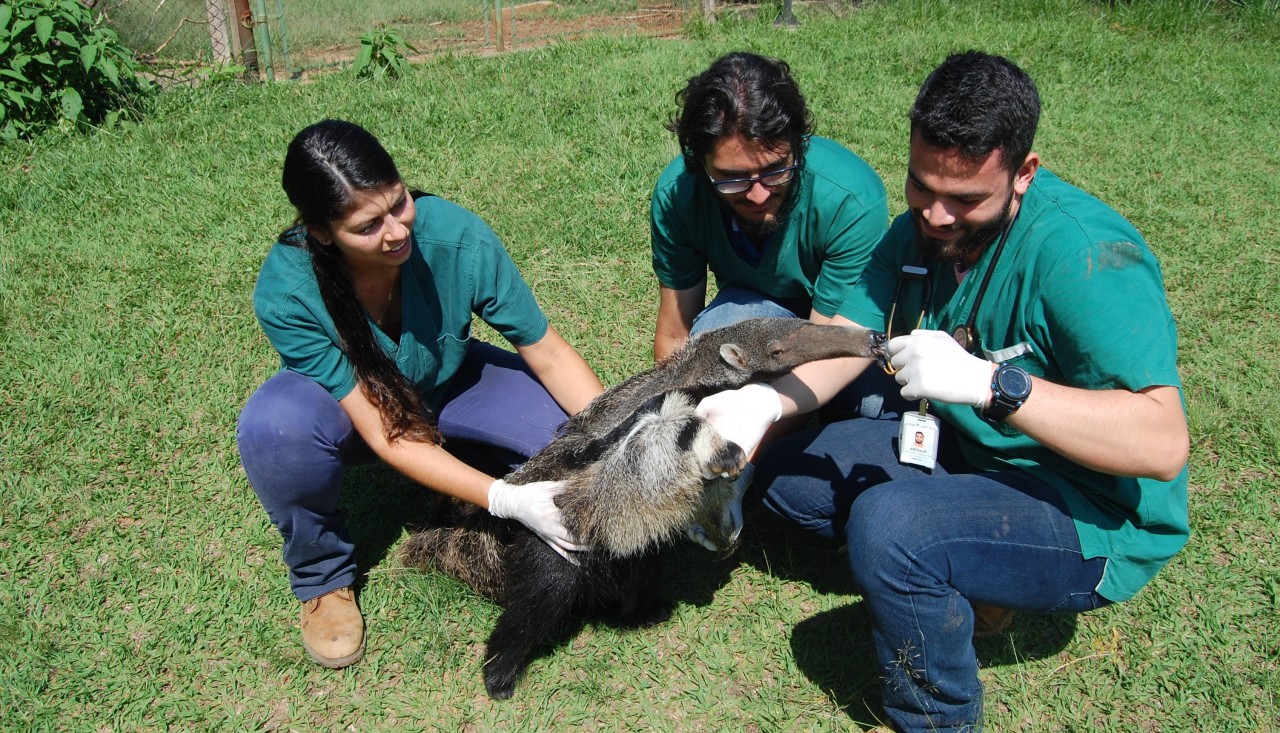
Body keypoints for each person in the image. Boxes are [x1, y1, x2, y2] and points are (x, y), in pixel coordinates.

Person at [696, 52, 1190, 731]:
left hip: (1091, 511)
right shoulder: (917, 234)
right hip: (976, 455)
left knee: (891, 527)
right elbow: (842, 333)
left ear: (1025, 173)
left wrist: (996, 384)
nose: (935, 214)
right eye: (921, 185)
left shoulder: (1085, 258)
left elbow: (1162, 442)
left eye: (965, 199)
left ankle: (937, 717)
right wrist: (762, 405)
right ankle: (957, 573)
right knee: (786, 471)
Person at [236, 119, 604, 670]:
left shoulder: (455, 235)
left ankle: (465, 463)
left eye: (399, 202)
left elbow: (548, 353)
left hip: (449, 381)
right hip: (356, 412)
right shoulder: (288, 290)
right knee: (276, 428)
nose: (396, 231)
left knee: (573, 447)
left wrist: (622, 436)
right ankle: (322, 577)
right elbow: (387, 430)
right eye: (367, 226)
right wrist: (504, 498)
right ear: (320, 232)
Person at [650, 51, 889, 363]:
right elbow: (675, 335)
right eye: (732, 178)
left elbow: (822, 348)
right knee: (715, 348)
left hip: (839, 323)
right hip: (755, 306)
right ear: (699, 162)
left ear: (798, 146)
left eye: (776, 169)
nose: (758, 195)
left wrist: (769, 408)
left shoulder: (850, 198)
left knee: (869, 399)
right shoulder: (678, 195)